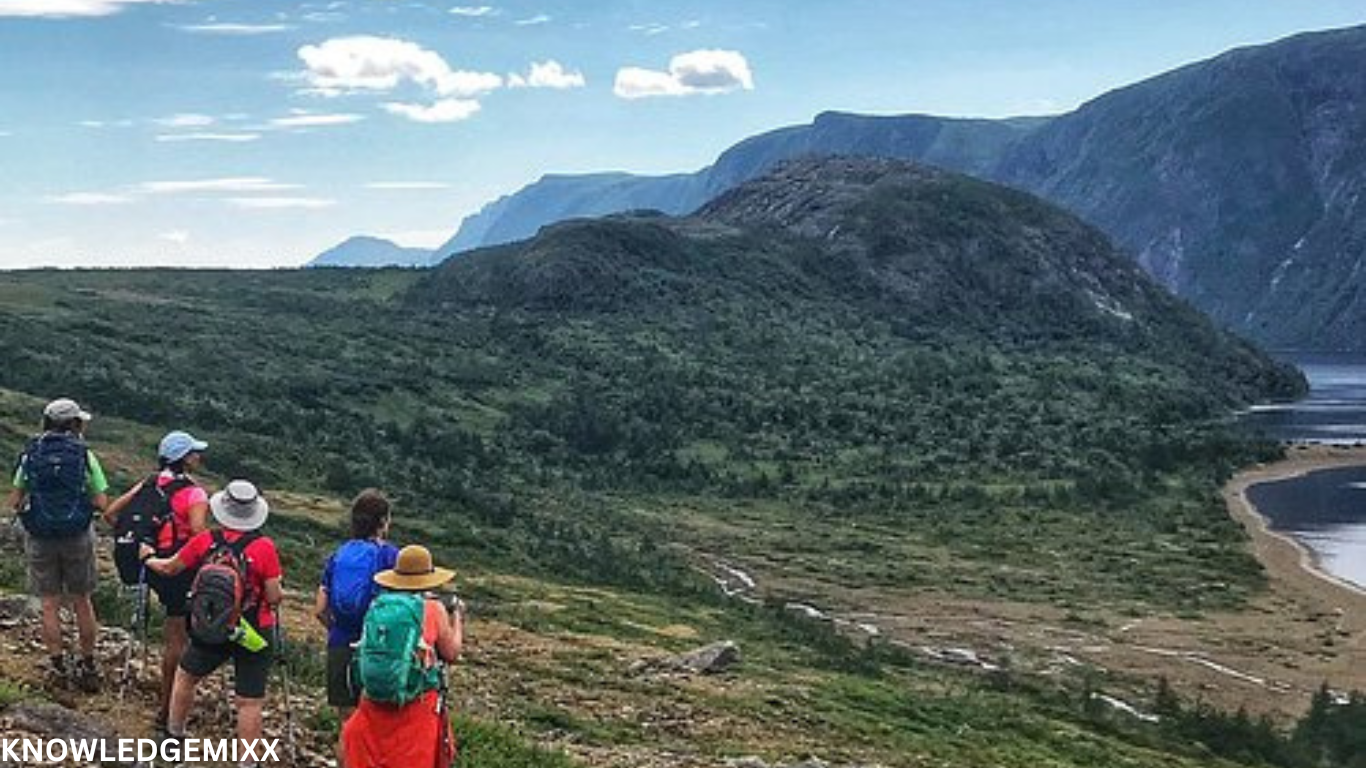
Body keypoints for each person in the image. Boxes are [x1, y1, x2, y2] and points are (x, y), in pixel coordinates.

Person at [143, 480, 283, 763]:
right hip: (254, 630)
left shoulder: (206, 540)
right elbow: (274, 596)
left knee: (186, 677)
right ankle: (248, 761)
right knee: (249, 701)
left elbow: (171, 568)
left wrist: (149, 559)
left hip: (211, 626)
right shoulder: (264, 547)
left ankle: (174, 738)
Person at [103, 429, 209, 733]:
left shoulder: (148, 484)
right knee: (177, 639)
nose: (198, 456)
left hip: (147, 563)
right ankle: (167, 708)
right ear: (184, 459)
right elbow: (200, 534)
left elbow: (111, 514)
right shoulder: (194, 493)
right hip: (178, 569)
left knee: (171, 634)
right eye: (194, 453)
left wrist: (141, 542)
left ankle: (168, 704)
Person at [6, 398, 110, 692]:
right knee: (82, 600)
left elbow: (15, 500)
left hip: (39, 535)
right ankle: (88, 663)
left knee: (49, 603)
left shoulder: (31, 453)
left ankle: (57, 665)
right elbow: (102, 501)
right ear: (74, 424)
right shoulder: (83, 455)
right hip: (77, 535)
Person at [341, 545, 463, 768]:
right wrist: (457, 616)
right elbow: (451, 652)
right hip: (416, 710)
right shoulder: (433, 608)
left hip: (372, 706)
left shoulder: (378, 606)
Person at [314, 489, 399, 757]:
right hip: (379, 650)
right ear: (383, 522)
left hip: (340, 643)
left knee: (347, 725)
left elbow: (319, 609)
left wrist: (338, 630)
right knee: (378, 725)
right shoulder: (390, 556)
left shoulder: (338, 555)